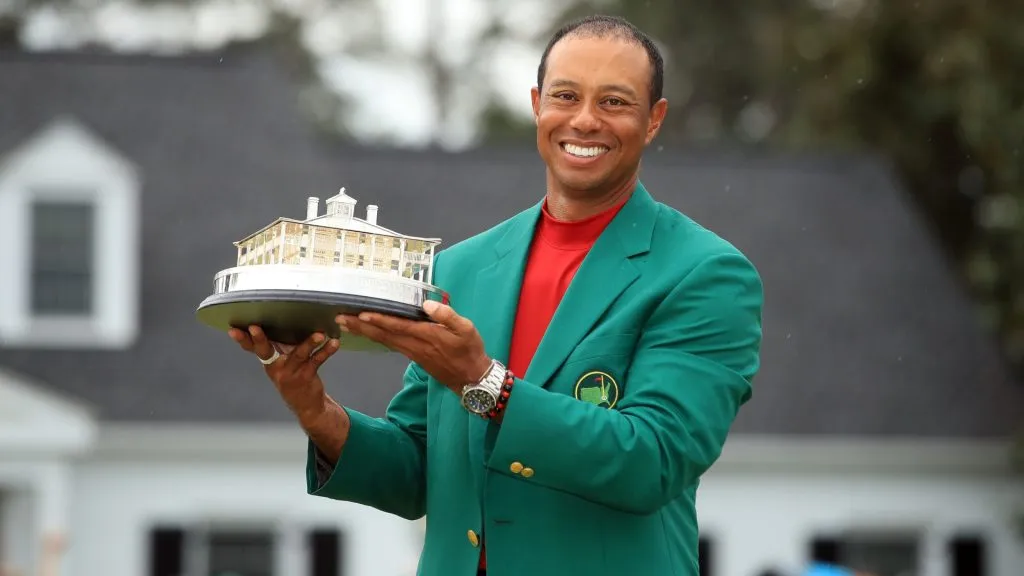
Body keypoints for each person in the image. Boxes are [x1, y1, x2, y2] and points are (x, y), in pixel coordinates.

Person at [230, 14, 763, 576]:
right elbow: (420, 475)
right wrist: (316, 410)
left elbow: (651, 462)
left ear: (654, 120)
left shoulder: (704, 274)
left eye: (614, 102)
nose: (584, 120)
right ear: (537, 104)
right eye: (565, 95)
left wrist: (485, 383)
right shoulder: (462, 267)